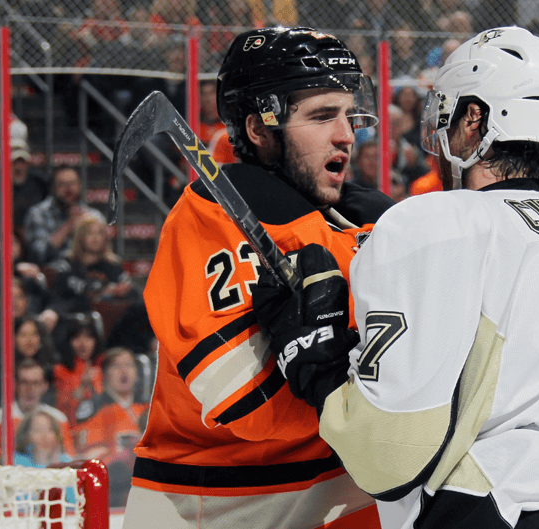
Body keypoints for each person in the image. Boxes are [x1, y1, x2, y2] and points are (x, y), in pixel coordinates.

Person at [253, 26, 539, 529]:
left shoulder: (439, 221)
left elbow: (390, 457)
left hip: (507, 506)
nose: (440, 131)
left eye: (448, 110)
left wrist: (320, 369)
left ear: (474, 118)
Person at [121, 27, 393, 529]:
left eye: (348, 113)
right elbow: (246, 403)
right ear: (258, 128)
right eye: (321, 115)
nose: (347, 134)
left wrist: (335, 370)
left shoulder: (367, 220)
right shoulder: (209, 218)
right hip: (222, 506)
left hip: (347, 493)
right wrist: (341, 377)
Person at [23, 165, 107, 267]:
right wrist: (69, 225)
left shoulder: (93, 216)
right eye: (62, 184)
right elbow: (38, 256)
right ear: (53, 188)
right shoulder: (38, 213)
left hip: (86, 274)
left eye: (73, 183)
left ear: (80, 185)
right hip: (51, 275)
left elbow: (105, 253)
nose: (69, 189)